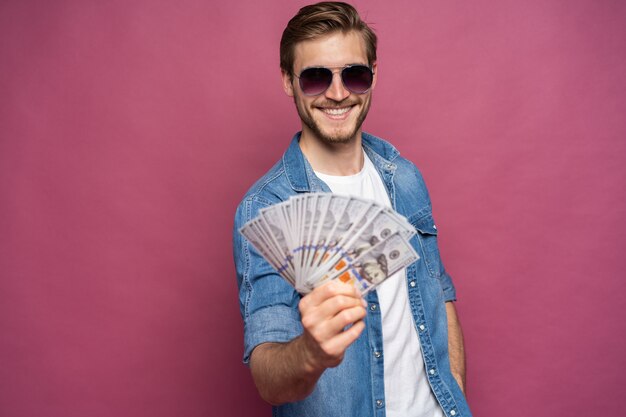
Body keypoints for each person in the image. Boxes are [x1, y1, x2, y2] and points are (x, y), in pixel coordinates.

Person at [233, 2, 472, 416]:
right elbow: (267, 376)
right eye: (315, 78)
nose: (338, 93)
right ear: (288, 81)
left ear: (374, 75)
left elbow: (439, 295)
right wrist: (310, 352)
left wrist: (456, 395)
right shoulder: (266, 209)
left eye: (354, 74)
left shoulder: (405, 178)